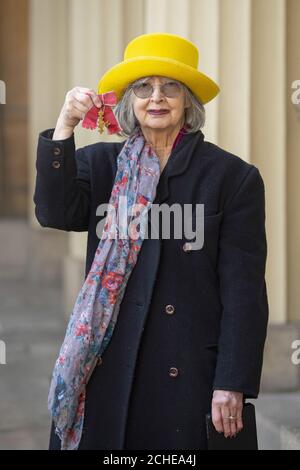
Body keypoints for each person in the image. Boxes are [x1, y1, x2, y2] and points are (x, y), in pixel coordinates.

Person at [33, 32, 269, 450]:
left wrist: (232, 382)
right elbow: (55, 213)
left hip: (190, 374)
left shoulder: (232, 178)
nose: (156, 98)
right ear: (129, 101)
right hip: (109, 369)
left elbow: (244, 292)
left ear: (188, 100)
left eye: (170, 86)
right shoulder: (100, 165)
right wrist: (66, 125)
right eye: (144, 87)